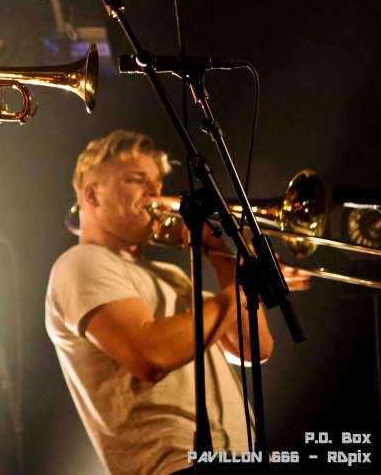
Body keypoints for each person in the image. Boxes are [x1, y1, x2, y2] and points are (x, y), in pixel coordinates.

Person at [45, 130, 308, 475]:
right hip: (179, 465)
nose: (155, 192)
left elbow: (252, 348)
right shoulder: (81, 263)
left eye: (156, 183)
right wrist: (246, 289)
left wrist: (221, 255)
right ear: (92, 194)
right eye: (136, 180)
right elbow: (150, 355)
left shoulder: (171, 275)